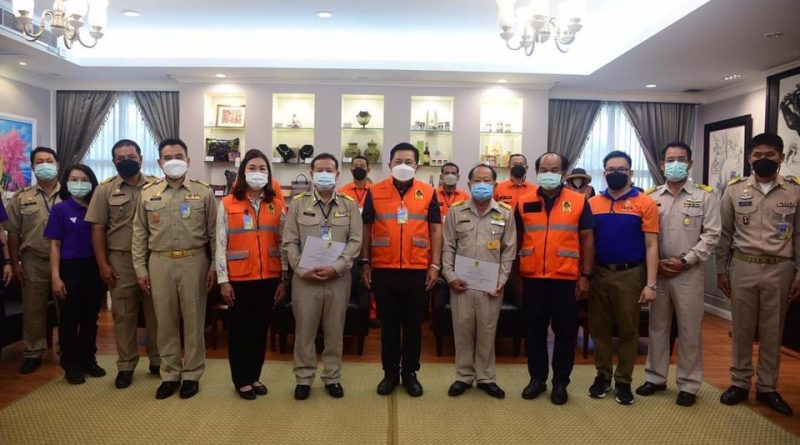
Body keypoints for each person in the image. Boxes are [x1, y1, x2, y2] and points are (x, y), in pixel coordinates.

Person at [716, 133, 800, 416]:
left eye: (770, 155)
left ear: (781, 157)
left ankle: (767, 387)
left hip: (780, 268)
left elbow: (799, 235)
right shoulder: (735, 190)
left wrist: (799, 274)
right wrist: (721, 269)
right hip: (743, 265)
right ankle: (739, 383)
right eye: (758, 155)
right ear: (749, 158)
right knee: (741, 328)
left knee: (773, 331)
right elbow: (724, 234)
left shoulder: (794, 190)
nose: (764, 159)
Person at [637, 142, 721, 407]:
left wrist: (685, 261)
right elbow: (644, 236)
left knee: (689, 330)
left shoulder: (705, 196)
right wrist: (655, 265)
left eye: (681, 159)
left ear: (690, 163)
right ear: (662, 164)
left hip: (688, 273)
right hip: (658, 272)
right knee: (657, 327)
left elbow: (712, 235)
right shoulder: (651, 197)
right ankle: (655, 377)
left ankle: (688, 384)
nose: (675, 164)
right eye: (670, 160)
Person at [132, 138, 217, 400]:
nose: (173, 161)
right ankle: (169, 374)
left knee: (194, 321)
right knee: (165, 321)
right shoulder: (148, 193)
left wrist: (215, 266)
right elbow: (139, 234)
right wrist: (140, 270)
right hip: (160, 262)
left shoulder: (204, 192)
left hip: (195, 261)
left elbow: (215, 234)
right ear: (159, 162)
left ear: (188, 160)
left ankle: (191, 374)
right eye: (168, 158)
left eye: (178, 156)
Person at [361, 142, 442, 397]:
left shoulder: (428, 192)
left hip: (417, 269)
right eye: (398, 161)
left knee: (414, 325)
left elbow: (436, 230)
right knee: (388, 325)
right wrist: (365, 262)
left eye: (408, 162)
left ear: (417, 166)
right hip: (383, 268)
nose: (403, 166)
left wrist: (435, 265)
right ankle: (389, 374)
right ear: (389, 164)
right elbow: (366, 228)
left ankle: (410, 374)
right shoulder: (375, 191)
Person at [516, 153, 595, 405]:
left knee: (565, 333)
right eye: (544, 169)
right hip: (533, 279)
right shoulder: (524, 201)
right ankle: (537, 379)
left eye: (555, 169)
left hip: (566, 279)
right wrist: (516, 276)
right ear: (536, 171)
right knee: (534, 332)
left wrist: (586, 276)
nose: (549, 173)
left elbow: (587, 240)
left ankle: (560, 382)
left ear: (563, 172)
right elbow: (517, 239)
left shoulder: (579, 201)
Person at [283, 153, 362, 400]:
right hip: (305, 279)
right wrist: (300, 269)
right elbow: (289, 241)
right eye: (320, 170)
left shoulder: (349, 205)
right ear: (311, 174)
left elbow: (356, 241)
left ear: (337, 174)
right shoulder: (298, 204)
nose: (324, 174)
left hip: (338, 278)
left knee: (334, 331)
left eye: (329, 170)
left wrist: (337, 267)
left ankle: (332, 377)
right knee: (304, 331)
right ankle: (303, 378)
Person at [85, 139, 161, 389]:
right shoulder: (104, 190)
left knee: (157, 312)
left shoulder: (157, 186)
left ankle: (158, 360)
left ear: (141, 158)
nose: (126, 161)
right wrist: (102, 264)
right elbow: (97, 229)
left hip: (153, 257)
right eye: (121, 158)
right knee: (124, 314)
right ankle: (126, 365)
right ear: (114, 162)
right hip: (121, 260)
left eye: (131, 156)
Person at [587, 150, 659, 405]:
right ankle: (603, 376)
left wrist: (651, 284)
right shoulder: (593, 203)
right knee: (599, 329)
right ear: (604, 172)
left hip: (631, 274)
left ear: (630, 172)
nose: (615, 173)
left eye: (621, 169)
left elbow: (652, 245)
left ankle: (624, 381)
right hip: (599, 273)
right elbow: (587, 243)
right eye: (610, 170)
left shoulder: (645, 203)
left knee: (629, 330)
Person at [217, 149, 288, 400]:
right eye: (252, 168)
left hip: (269, 278)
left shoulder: (277, 204)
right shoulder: (227, 203)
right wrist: (223, 281)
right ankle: (241, 379)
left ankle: (254, 375)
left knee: (260, 330)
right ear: (243, 172)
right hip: (238, 279)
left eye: (262, 168)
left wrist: (284, 278)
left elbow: (283, 243)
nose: (257, 173)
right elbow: (220, 244)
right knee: (239, 331)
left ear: (268, 174)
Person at [442, 164, 515, 399]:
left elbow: (509, 250)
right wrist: (450, 276)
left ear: (494, 185)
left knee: (487, 331)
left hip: (491, 286)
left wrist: (501, 280)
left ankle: (486, 377)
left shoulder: (505, 213)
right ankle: (463, 376)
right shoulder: (456, 211)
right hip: (461, 284)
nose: (482, 184)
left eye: (487, 181)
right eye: (477, 180)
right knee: (462, 330)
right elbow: (447, 246)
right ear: (469, 184)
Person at [44, 164, 106, 384]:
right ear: (67, 183)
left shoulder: (98, 208)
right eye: (74, 179)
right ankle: (71, 364)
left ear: (92, 183)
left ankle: (88, 359)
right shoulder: (60, 210)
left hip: (94, 267)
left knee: (90, 318)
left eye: (84, 179)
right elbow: (55, 245)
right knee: (69, 319)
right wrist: (55, 277)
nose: (79, 184)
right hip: (69, 268)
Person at [6, 146, 62, 374]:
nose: (45, 165)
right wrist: (14, 263)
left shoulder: (70, 194)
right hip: (33, 260)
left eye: (49, 160)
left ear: (57, 165)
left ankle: (68, 349)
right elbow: (12, 233)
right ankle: (33, 352)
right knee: (32, 309)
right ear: (32, 167)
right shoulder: (21, 197)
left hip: (65, 261)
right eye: (39, 161)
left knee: (66, 307)